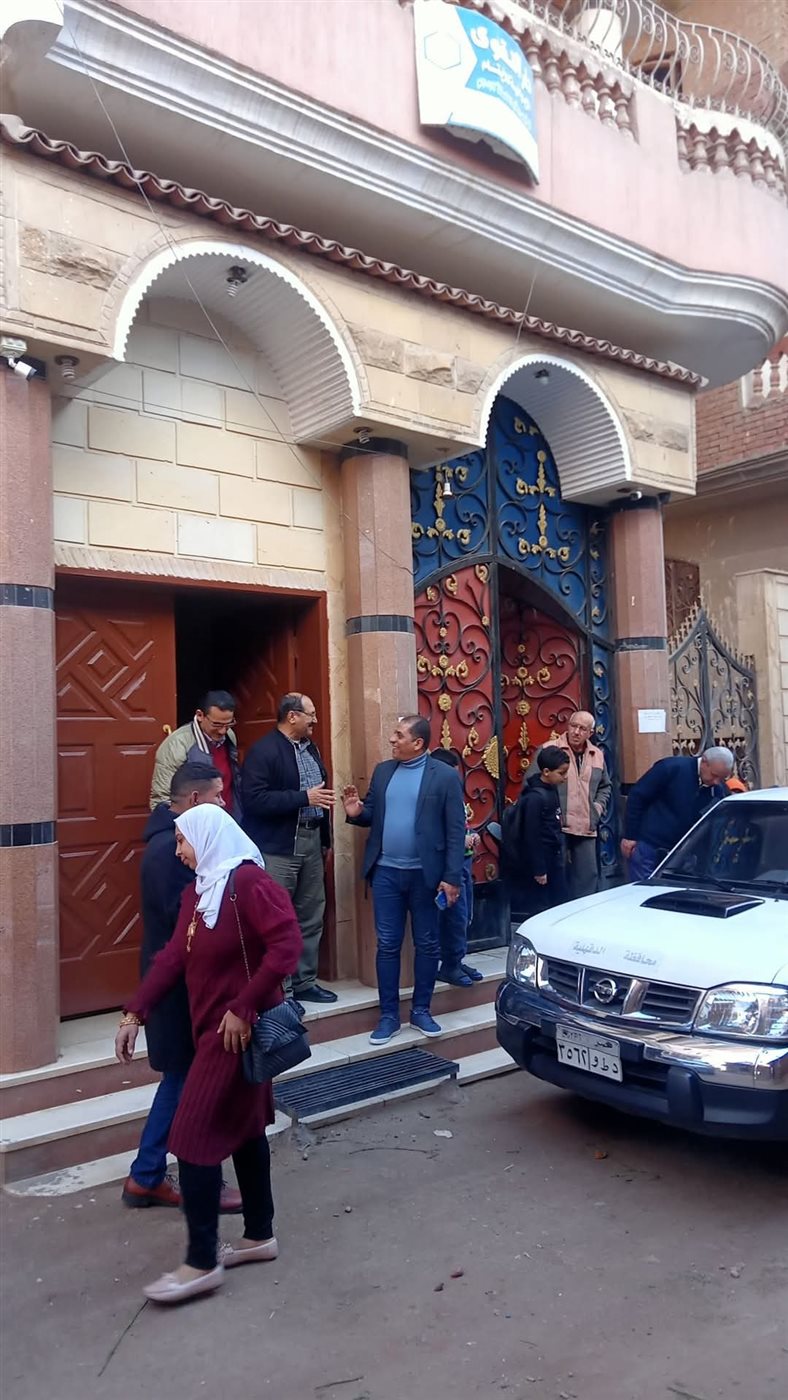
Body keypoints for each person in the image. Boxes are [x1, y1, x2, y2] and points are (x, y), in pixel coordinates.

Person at [115, 804, 302, 1305]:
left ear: (207, 837)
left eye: (183, 840)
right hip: (210, 1033)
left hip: (237, 1035)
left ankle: (200, 1263)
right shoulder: (201, 891)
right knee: (245, 1132)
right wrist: (135, 1012)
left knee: (191, 1137)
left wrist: (244, 1006)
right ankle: (259, 1236)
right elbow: (173, 957)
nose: (178, 850)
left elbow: (287, 946)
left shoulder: (249, 883)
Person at [122, 762, 241, 1214]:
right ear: (194, 800)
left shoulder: (182, 841)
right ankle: (172, 1177)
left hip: (184, 986)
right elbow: (186, 930)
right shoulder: (168, 852)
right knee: (189, 1084)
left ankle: (148, 1174)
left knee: (183, 1080)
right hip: (179, 992)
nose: (224, 803)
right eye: (217, 795)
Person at [341, 715, 466, 1045]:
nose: (392, 740)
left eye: (399, 735)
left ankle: (421, 1010)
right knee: (387, 944)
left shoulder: (444, 776)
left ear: (418, 743)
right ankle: (388, 1016)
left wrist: (452, 878)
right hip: (386, 873)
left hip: (426, 876)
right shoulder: (384, 771)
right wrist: (357, 812)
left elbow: (456, 830)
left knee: (427, 943)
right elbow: (372, 813)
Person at [241, 693, 336, 1005]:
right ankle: (280, 991)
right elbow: (254, 800)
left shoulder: (312, 748)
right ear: (292, 716)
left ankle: (304, 981)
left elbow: (321, 798)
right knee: (277, 919)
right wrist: (302, 798)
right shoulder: (263, 751)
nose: (315, 720)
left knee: (311, 914)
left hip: (311, 840)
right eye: (311, 714)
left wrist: (325, 841)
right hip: (278, 847)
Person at [525, 711, 612, 900]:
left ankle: (584, 913)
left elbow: (605, 786)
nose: (576, 732)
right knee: (558, 878)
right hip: (557, 827)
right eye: (573, 726)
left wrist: (597, 808)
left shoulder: (596, 755)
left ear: (590, 733)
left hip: (586, 825)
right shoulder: (550, 749)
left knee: (587, 878)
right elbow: (531, 783)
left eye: (582, 729)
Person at [621, 745, 734, 880]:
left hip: (681, 854)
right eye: (714, 775)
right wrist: (630, 836)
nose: (716, 782)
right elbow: (637, 797)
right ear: (704, 762)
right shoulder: (671, 768)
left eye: (721, 778)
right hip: (650, 846)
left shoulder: (718, 790)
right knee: (644, 889)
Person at [429, 748, 482, 987]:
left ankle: (457, 960)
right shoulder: (432, 799)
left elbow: (460, 825)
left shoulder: (454, 796)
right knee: (454, 916)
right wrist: (461, 840)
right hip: (449, 865)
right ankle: (450, 964)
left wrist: (471, 836)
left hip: (464, 863)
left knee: (465, 914)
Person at [502, 745, 570, 918]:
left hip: (554, 857)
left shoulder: (552, 790)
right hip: (541, 861)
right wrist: (539, 869)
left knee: (560, 904)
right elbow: (531, 836)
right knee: (542, 909)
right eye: (561, 773)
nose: (564, 777)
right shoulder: (534, 798)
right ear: (546, 772)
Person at [150, 690, 242, 818]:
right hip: (194, 823)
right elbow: (161, 798)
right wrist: (180, 828)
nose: (222, 731)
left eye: (228, 724)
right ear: (200, 715)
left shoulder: (229, 735)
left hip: (227, 817)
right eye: (217, 724)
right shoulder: (177, 744)